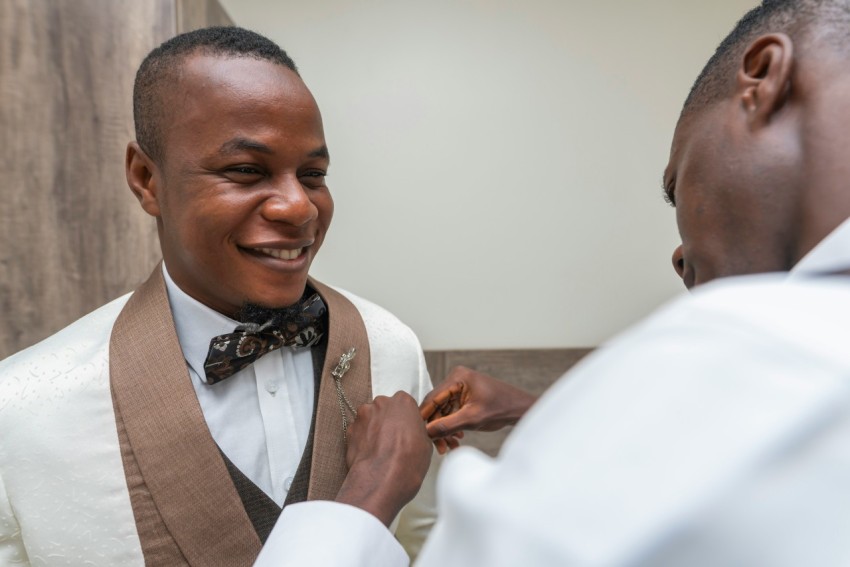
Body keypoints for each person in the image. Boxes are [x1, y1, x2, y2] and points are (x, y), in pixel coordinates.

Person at [254, 0, 850, 565]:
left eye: (677, 186)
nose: (679, 253)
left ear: (766, 76)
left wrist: (370, 489)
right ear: (153, 184)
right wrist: (550, 411)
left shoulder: (732, 349)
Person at [0, 27, 438, 566]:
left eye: (313, 174)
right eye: (246, 171)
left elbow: (427, 547)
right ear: (146, 179)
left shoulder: (392, 345)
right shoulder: (20, 410)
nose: (299, 207)